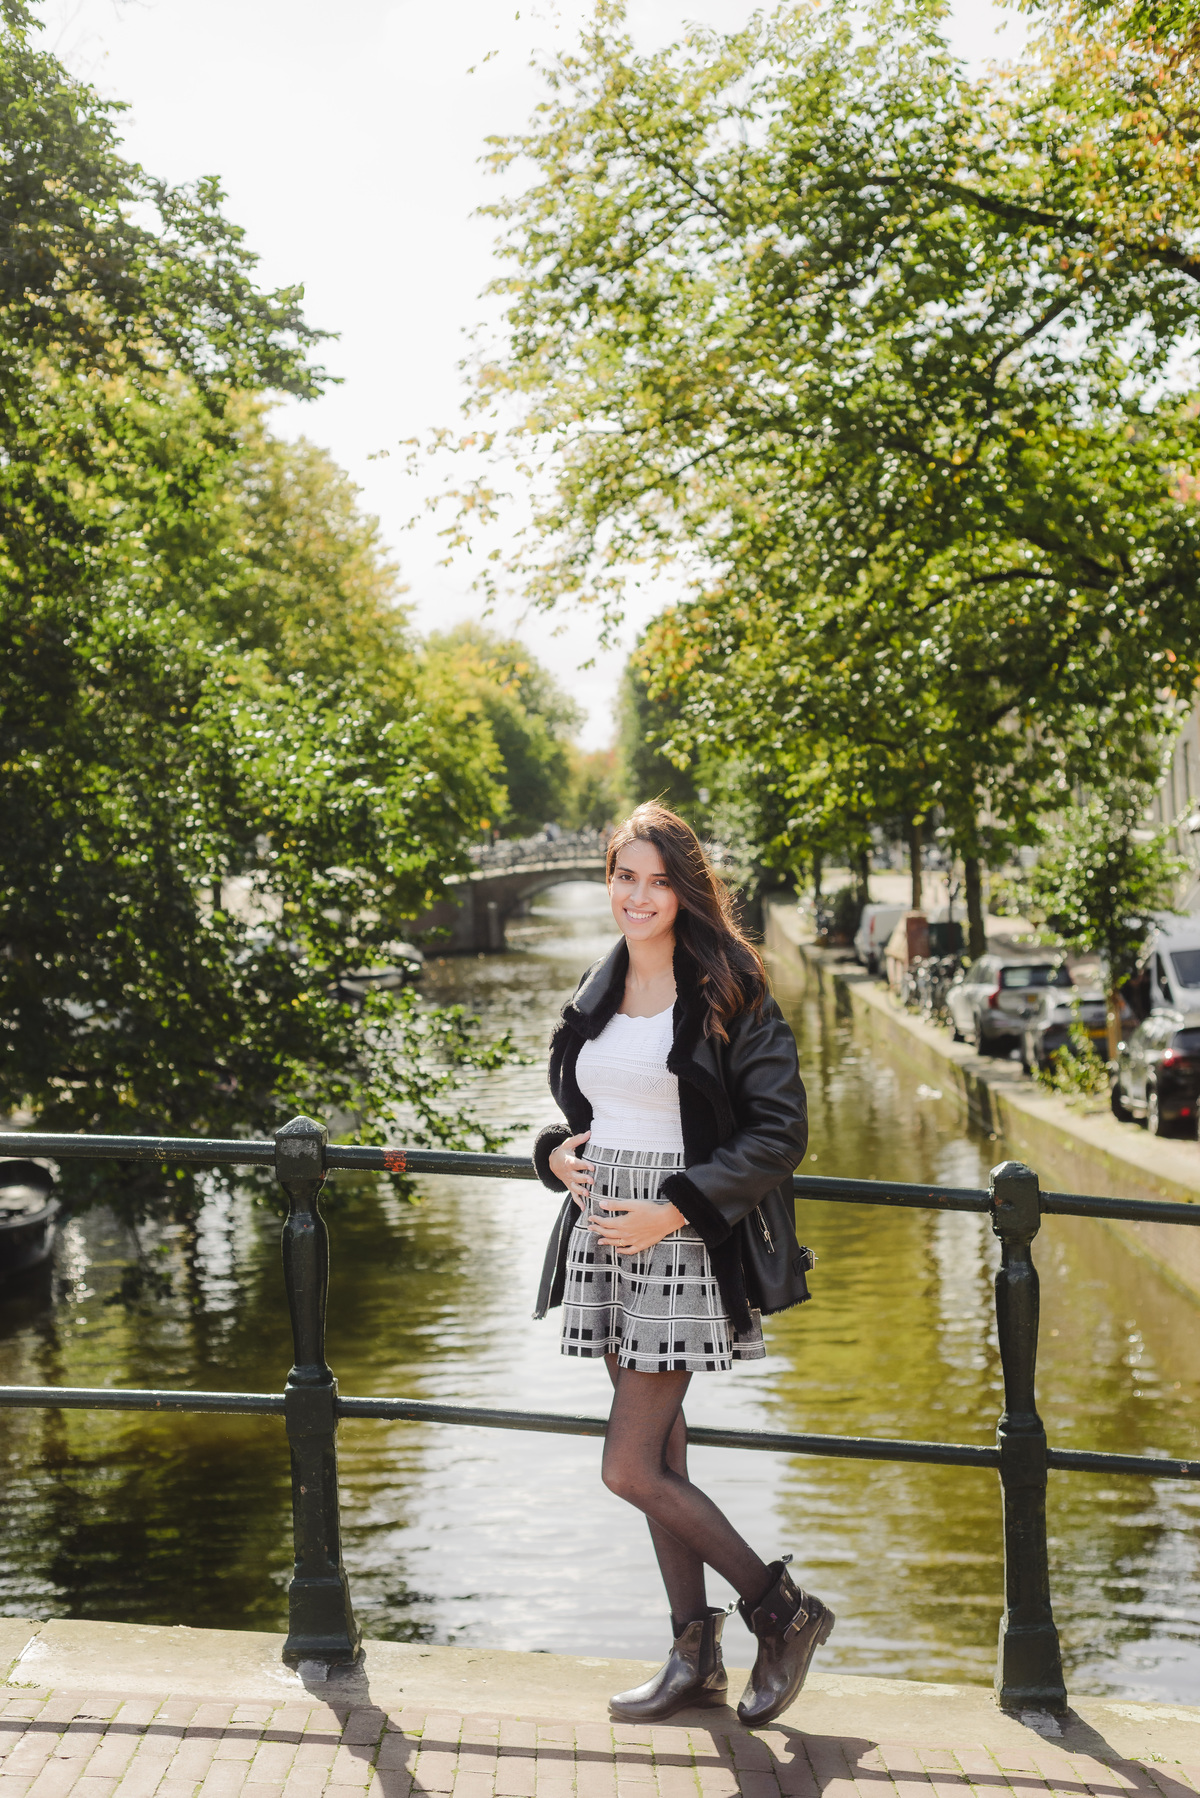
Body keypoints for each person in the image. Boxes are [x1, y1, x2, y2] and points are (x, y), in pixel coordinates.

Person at [532, 802, 832, 1725]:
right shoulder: (601, 981)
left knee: (628, 1467)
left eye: (659, 880)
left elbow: (782, 1131)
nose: (639, 895)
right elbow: (591, 1106)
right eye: (626, 876)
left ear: (685, 889)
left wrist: (672, 1208)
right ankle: (691, 1654)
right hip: (604, 1232)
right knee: (661, 1451)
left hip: (678, 1237)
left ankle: (782, 1612)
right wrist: (551, 1152)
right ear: (608, 879)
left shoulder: (728, 986)